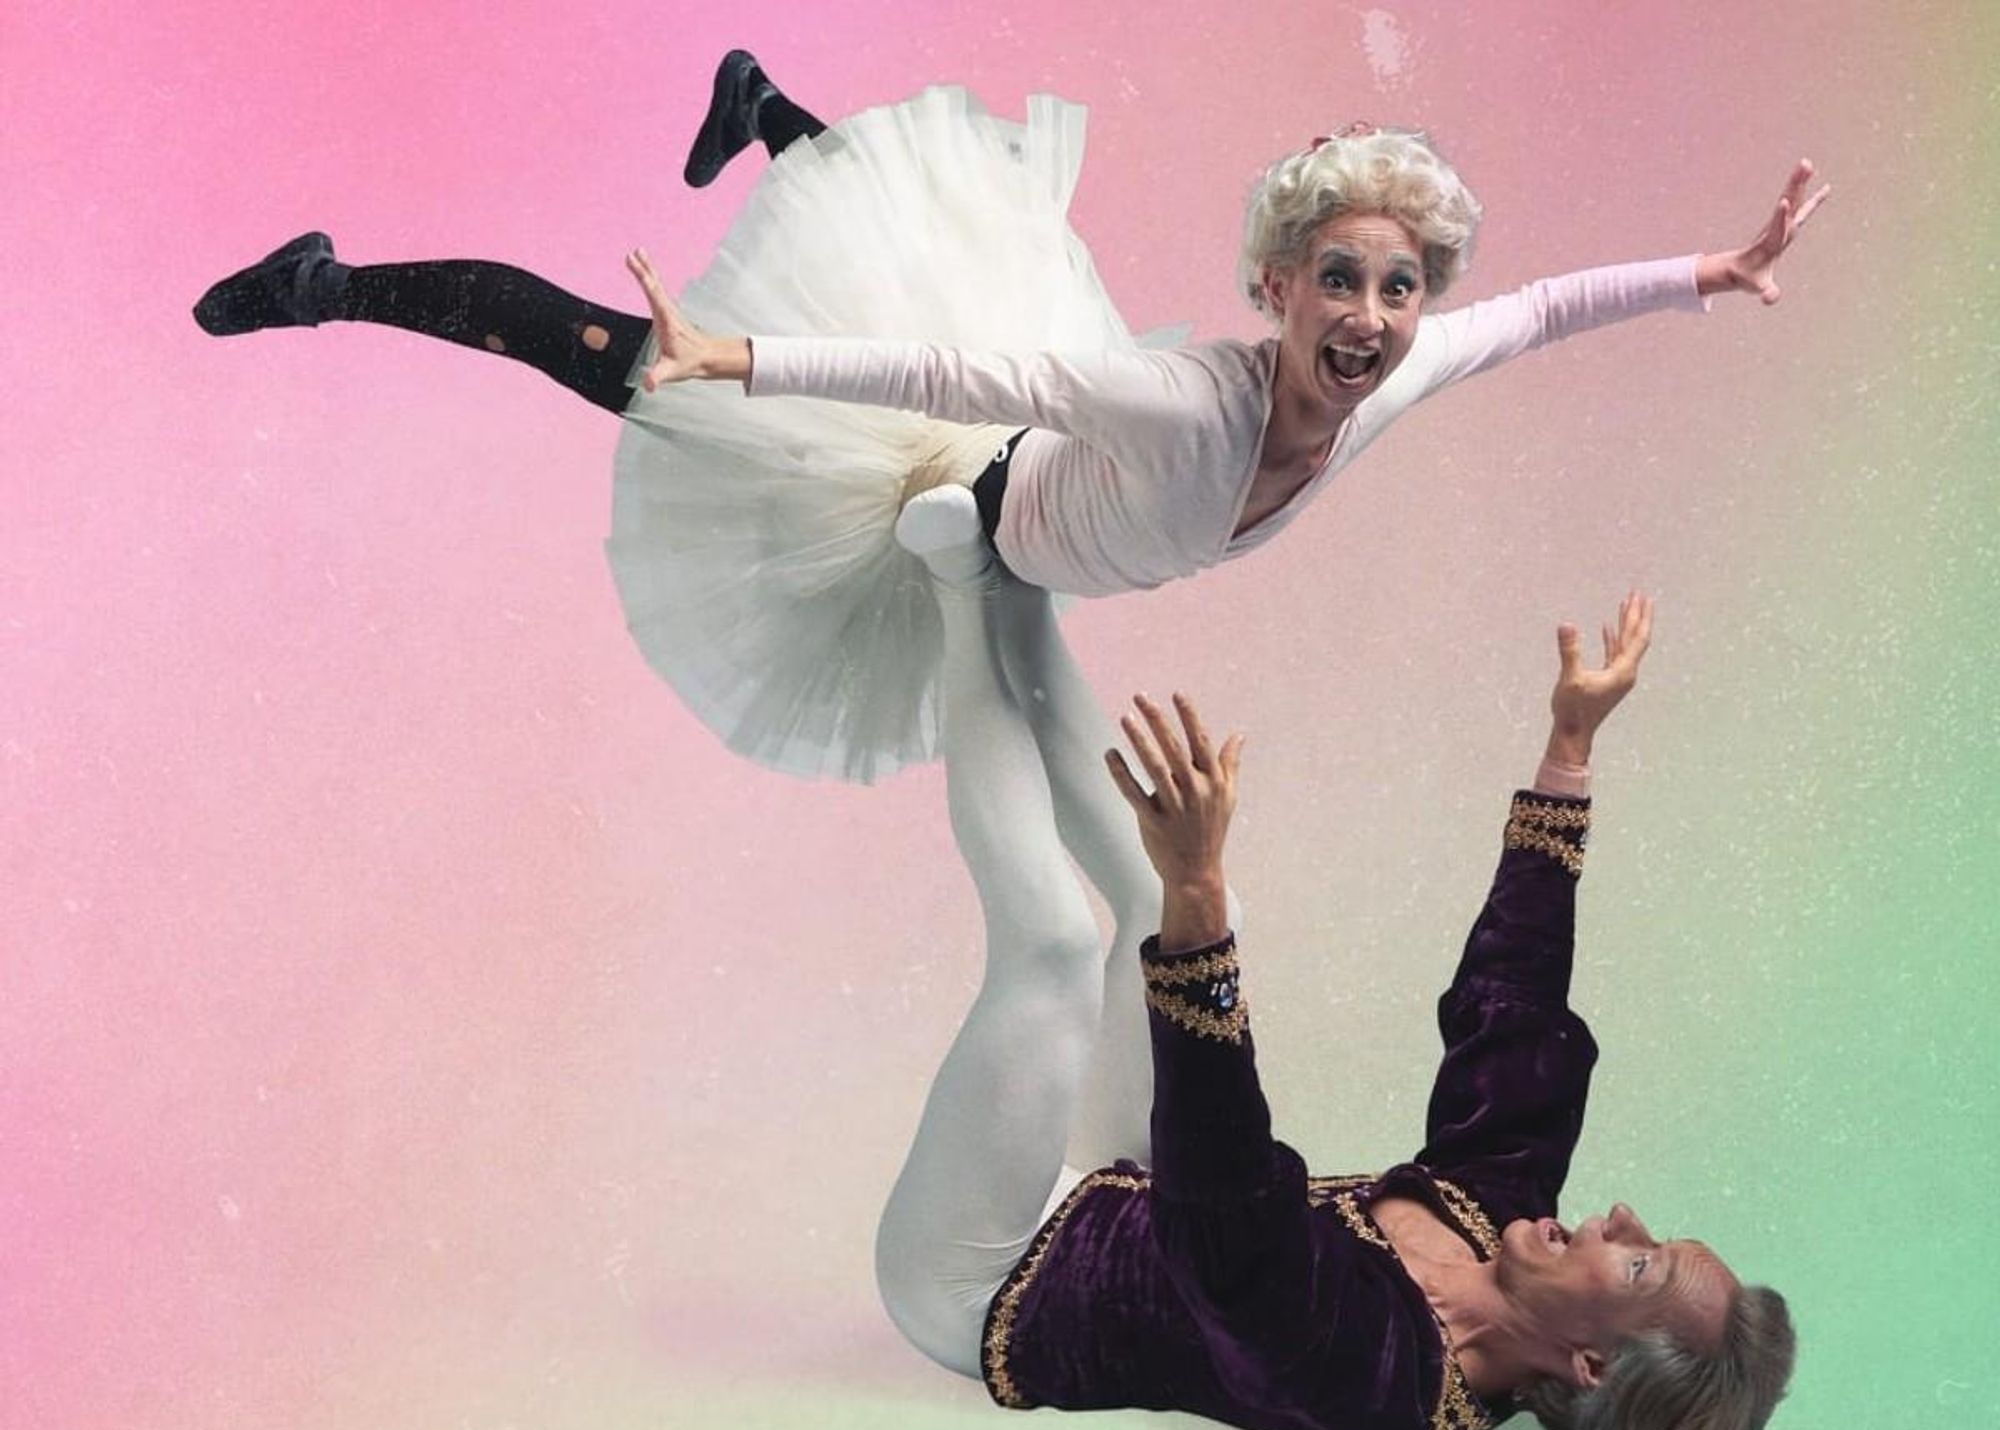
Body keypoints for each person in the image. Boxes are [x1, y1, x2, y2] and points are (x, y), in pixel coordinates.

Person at [193, 52, 1829, 781]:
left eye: (1399, 290)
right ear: (1274, 287)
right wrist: (734, 362)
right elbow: (948, 377)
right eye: (1339, 282)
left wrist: (1715, 269)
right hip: (954, 483)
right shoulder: (1174, 405)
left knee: (919, 229)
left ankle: (765, 107)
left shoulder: (1394, 375)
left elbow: (1539, 312)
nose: (1373, 318)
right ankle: (330, 280)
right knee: (623, 367)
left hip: (1049, 456)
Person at [873, 544, 1795, 1430]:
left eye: (1638, 1262)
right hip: (1130, 1189)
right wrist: (1570, 749)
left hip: (988, 1278)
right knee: (1178, 907)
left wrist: (1197, 892)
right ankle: (1017, 589)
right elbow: (1514, 1009)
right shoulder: (1499, 1220)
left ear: (1591, 1364)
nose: (1619, 1215)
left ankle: (957, 588)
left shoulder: (1376, 1377)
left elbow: (1230, 1220)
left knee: (1057, 950)